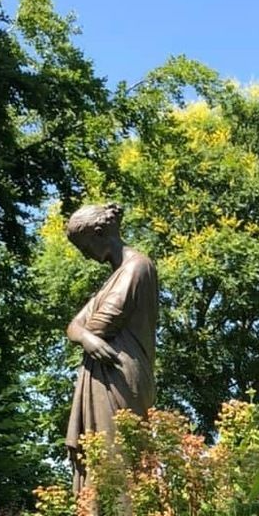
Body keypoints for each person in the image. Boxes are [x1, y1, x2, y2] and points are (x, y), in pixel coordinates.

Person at [64, 203, 158, 492]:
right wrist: (87, 339)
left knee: (119, 457)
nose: (86, 255)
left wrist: (86, 335)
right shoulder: (114, 277)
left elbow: (97, 325)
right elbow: (74, 327)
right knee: (100, 456)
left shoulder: (137, 266)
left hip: (119, 376)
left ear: (100, 232)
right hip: (105, 373)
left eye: (84, 246)